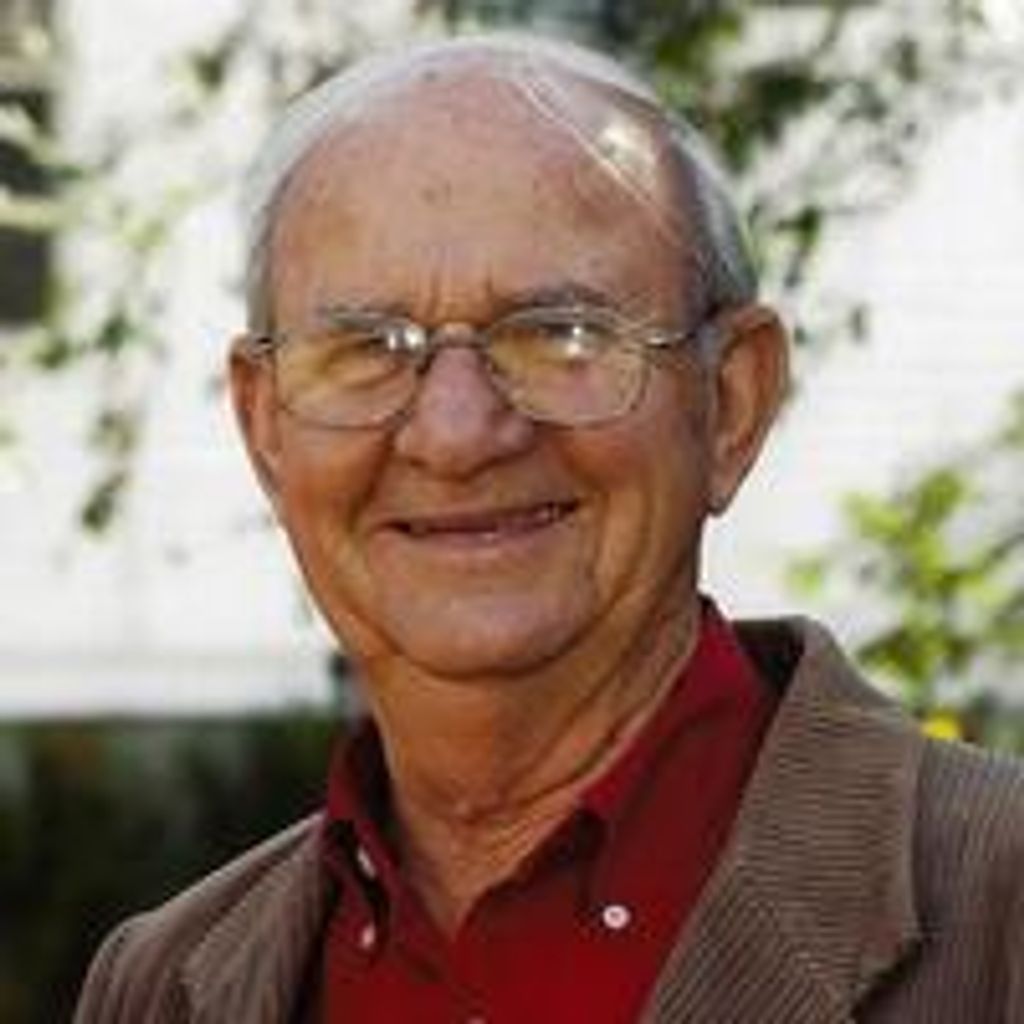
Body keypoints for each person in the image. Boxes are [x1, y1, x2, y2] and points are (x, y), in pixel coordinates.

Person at [74, 33, 1024, 1023]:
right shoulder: (160, 986)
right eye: (367, 348)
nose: (455, 435)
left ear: (732, 403)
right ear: (265, 428)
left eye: (560, 334)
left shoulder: (998, 911)